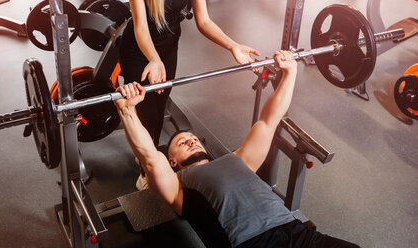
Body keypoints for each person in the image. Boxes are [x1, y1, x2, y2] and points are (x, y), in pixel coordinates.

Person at [114, 50, 360, 248]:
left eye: (193, 138)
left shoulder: (239, 160)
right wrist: (127, 110)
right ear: (173, 162)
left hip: (298, 234)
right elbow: (149, 158)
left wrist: (290, 73)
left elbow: (268, 121)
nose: (191, 140)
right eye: (181, 143)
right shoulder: (179, 187)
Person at [119, 0, 259, 150]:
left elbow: (203, 21)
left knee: (160, 104)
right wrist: (153, 59)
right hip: (138, 49)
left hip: (168, 47)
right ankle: (145, 167)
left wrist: (232, 45)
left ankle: (150, 157)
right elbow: (141, 25)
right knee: (146, 112)